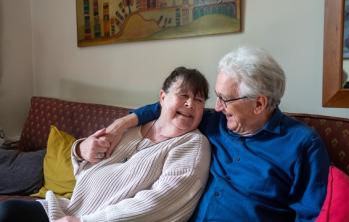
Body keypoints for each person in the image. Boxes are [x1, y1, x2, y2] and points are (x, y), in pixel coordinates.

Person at [105, 47, 330, 221]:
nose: (219, 107)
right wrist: (125, 122)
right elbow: (170, 107)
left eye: (225, 99)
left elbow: (310, 216)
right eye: (217, 97)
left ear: (259, 104)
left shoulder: (303, 145)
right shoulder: (215, 122)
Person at [0, 67, 211, 222]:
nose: (190, 104)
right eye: (183, 95)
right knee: (8, 212)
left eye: (199, 100)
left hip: (105, 220)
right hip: (71, 209)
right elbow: (84, 170)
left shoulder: (193, 144)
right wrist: (80, 151)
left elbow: (161, 201)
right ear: (162, 98)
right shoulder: (127, 128)